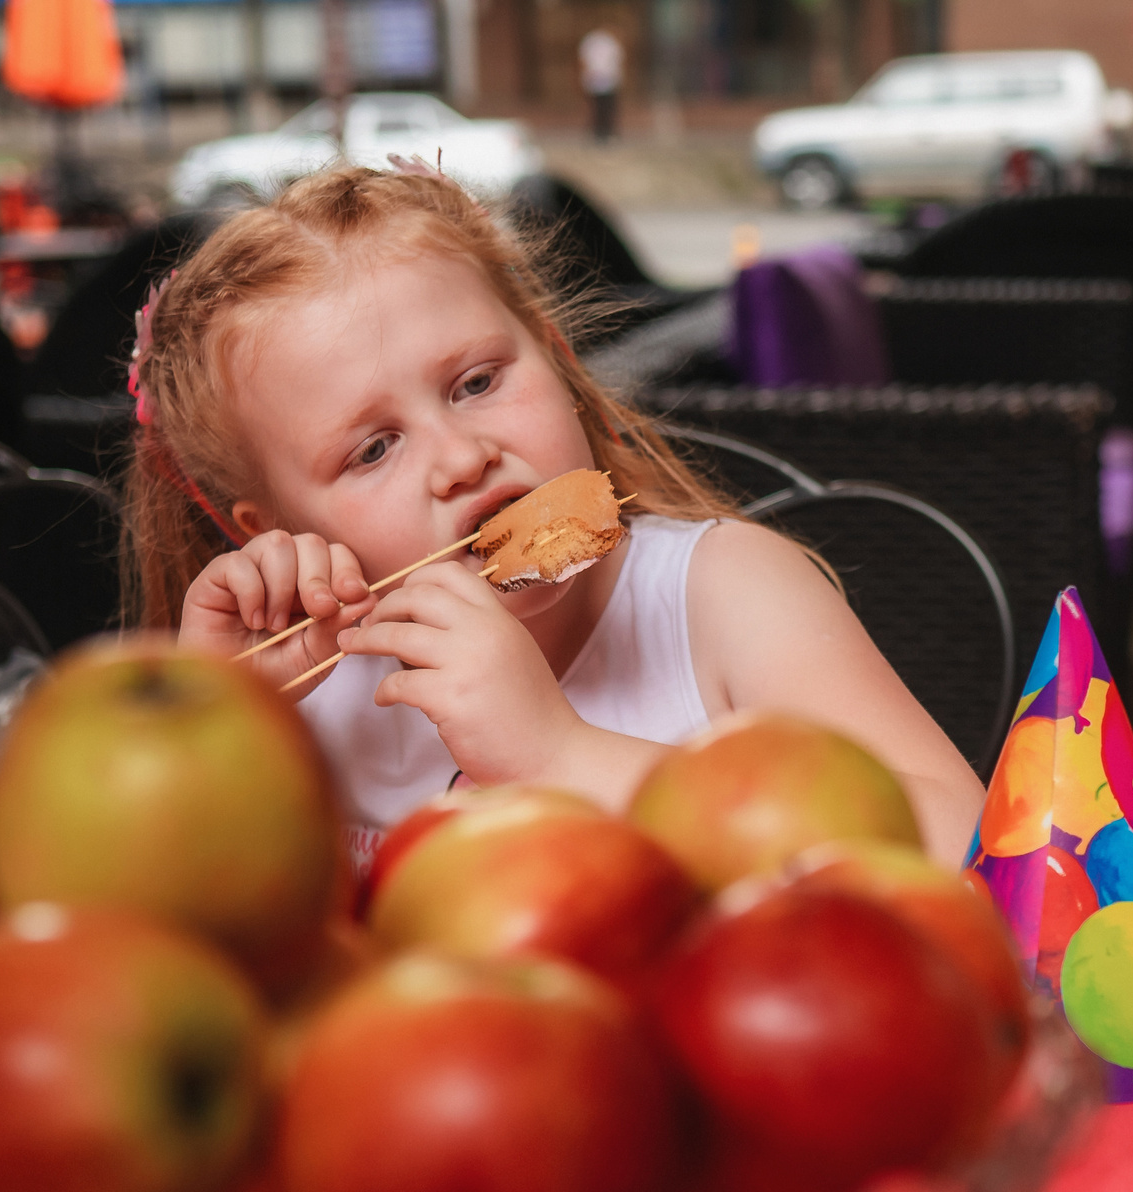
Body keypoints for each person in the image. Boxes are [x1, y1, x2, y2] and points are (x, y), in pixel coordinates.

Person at [120, 165, 983, 863]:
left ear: (562, 362)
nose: (463, 458)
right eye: (373, 449)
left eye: (478, 383)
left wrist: (562, 757)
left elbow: (964, 849)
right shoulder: (304, 697)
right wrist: (206, 731)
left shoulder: (724, 593)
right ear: (272, 534)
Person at [579, 27, 623, 143]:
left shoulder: (605, 42)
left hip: (606, 79)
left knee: (606, 107)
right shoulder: (594, 41)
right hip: (598, 79)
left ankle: (606, 132)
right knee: (600, 108)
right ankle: (600, 132)